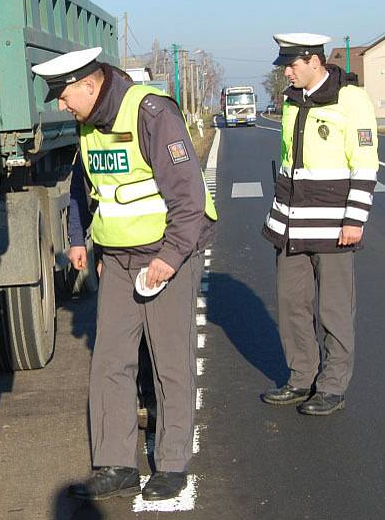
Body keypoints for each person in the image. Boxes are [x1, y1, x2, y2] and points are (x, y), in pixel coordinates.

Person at [32, 48, 217, 501]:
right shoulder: (89, 123)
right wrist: (79, 237)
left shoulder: (153, 114)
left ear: (90, 86)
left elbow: (190, 198)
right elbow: (83, 184)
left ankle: (171, 463)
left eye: (63, 94)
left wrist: (170, 258)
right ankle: (116, 463)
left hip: (166, 253)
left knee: (170, 361)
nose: (60, 104)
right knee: (111, 360)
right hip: (116, 258)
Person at [261, 33, 379, 415]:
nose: (287, 72)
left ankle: (331, 386)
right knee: (292, 305)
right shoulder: (292, 101)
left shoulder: (351, 100)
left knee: (333, 310)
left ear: (314, 60)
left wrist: (354, 220)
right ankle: (301, 378)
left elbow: (365, 165)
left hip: (333, 229)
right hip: (291, 227)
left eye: (292, 65)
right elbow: (287, 163)